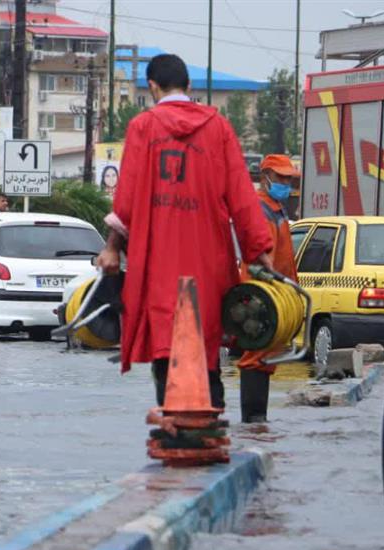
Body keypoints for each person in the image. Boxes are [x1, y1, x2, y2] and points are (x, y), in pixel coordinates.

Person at [96, 53, 274, 409]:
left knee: (167, 347)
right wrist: (259, 252)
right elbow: (242, 196)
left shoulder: (143, 127)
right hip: (208, 265)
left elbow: (126, 200)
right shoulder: (219, 128)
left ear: (152, 87)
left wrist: (112, 248)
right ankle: (211, 420)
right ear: (188, 86)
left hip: (159, 266)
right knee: (205, 348)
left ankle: (172, 422)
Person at [237, 154, 301, 423]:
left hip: (274, 294)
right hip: (261, 294)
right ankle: (253, 422)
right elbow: (262, 258)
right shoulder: (261, 210)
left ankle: (257, 423)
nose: (285, 183)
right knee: (256, 356)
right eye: (280, 177)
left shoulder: (276, 208)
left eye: (289, 178)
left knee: (264, 357)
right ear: (265, 177)